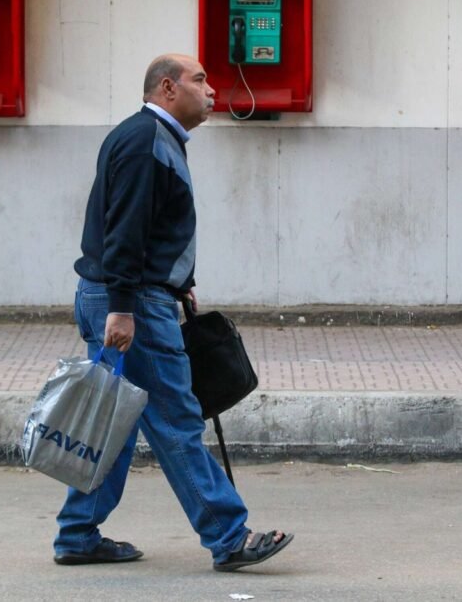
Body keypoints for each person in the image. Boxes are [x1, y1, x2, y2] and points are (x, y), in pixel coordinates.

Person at [53, 53, 294, 572]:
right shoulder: (146, 143)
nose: (212, 90)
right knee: (175, 419)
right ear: (167, 88)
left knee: (115, 417)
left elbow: (147, 229)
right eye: (200, 79)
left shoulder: (149, 138)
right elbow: (126, 231)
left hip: (130, 295)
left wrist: (178, 286)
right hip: (131, 301)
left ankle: (77, 533)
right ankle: (229, 537)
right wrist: (124, 305)